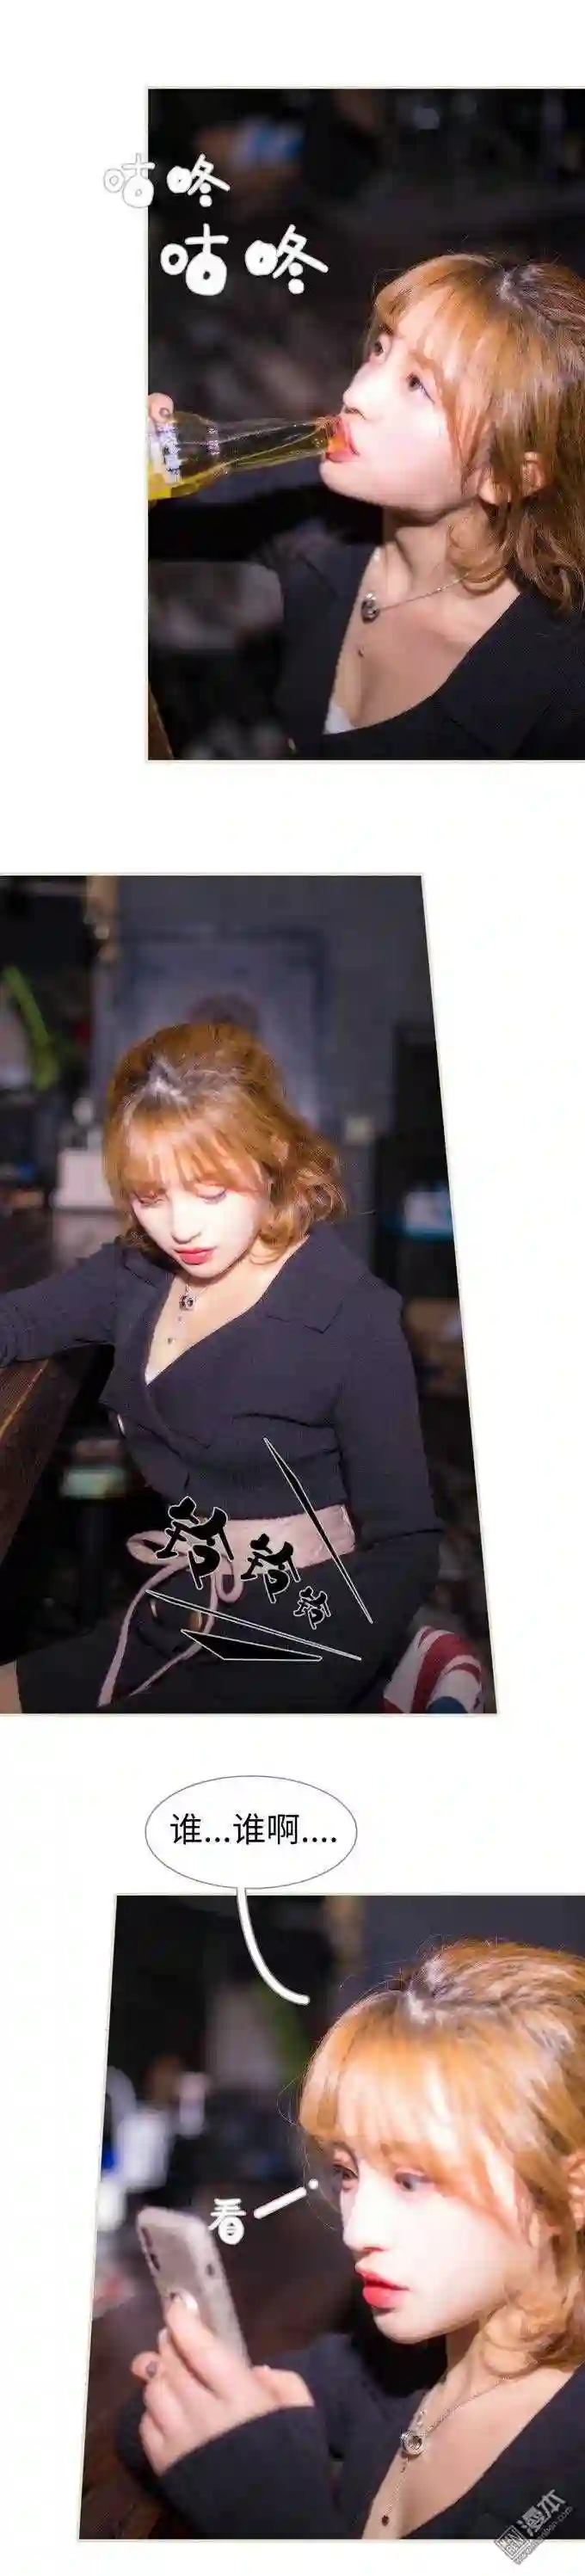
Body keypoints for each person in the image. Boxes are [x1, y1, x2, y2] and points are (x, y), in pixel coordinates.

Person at [0, 1018, 437, 1712]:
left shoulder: (351, 1318)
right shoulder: (139, 1273)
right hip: (181, 1602)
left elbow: (405, 1547)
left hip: (300, 1632)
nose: (181, 1227)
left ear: (273, 1154)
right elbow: (20, 1322)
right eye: (151, 1195)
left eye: (211, 1192)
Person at [118, 1939, 585, 2539]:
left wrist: (273, 2514)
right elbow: (138, 2424)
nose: (358, 2229)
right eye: (346, 2172)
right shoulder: (382, 2371)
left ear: (568, 2193)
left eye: (412, 2180)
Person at [149, 251, 585, 759]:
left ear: (505, 476)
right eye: (381, 349)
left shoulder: (558, 689)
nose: (357, 392)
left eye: (419, 386)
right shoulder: (314, 518)